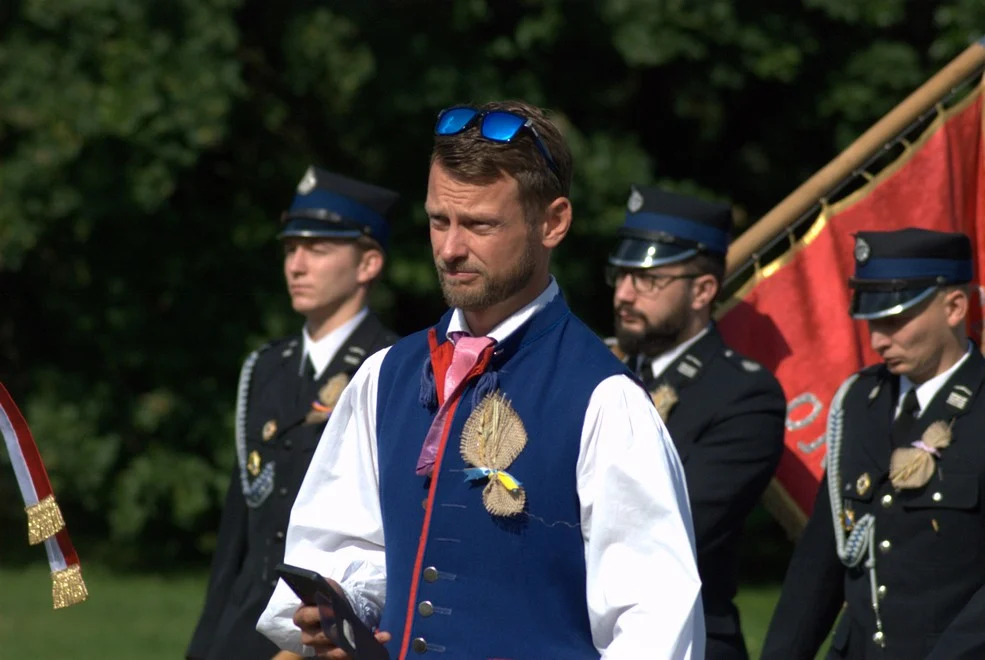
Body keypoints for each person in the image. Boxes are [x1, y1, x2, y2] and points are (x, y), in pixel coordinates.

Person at [257, 101, 704, 659]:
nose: (450, 249)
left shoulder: (605, 401)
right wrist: (345, 613)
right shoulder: (384, 377)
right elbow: (349, 546)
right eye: (438, 220)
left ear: (553, 222)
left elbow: (654, 625)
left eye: (480, 225)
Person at [186, 167, 401, 660]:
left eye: (318, 249)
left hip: (326, 636)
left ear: (368, 263)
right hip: (242, 629)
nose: (296, 266)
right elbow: (239, 534)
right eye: (290, 249)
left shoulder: (392, 369)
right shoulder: (265, 368)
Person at [761, 228, 985, 659]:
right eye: (872, 321)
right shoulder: (861, 401)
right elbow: (821, 561)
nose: (879, 340)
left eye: (895, 320)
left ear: (955, 307)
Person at [606, 185, 786, 659]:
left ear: (703, 290)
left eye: (648, 280)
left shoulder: (743, 395)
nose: (624, 294)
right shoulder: (600, 375)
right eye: (622, 274)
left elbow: (675, 530)